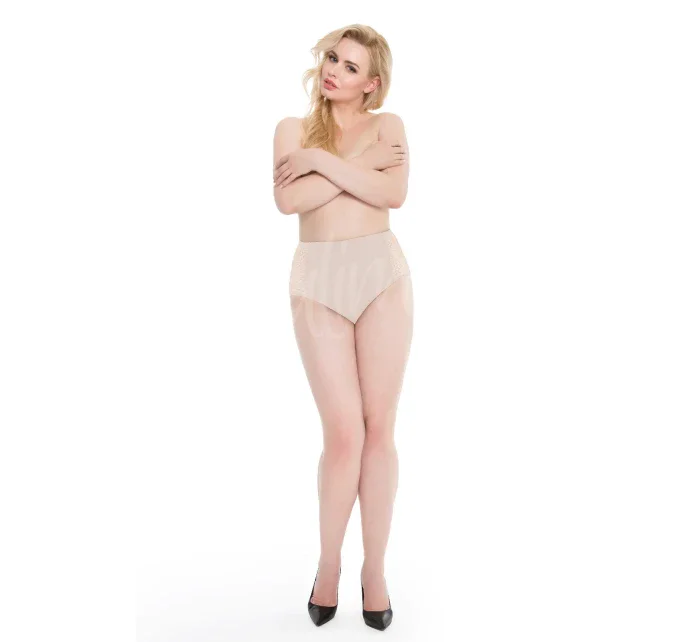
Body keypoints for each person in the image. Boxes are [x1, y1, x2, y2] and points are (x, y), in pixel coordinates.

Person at [272, 24, 413, 631]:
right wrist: (353, 166)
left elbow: (394, 193)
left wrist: (319, 168)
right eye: (333, 58)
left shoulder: (389, 126)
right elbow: (289, 202)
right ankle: (328, 565)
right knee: (343, 435)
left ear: (371, 83)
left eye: (351, 67)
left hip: (381, 276)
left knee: (379, 430)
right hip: (319, 281)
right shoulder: (292, 131)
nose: (334, 70)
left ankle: (373, 571)